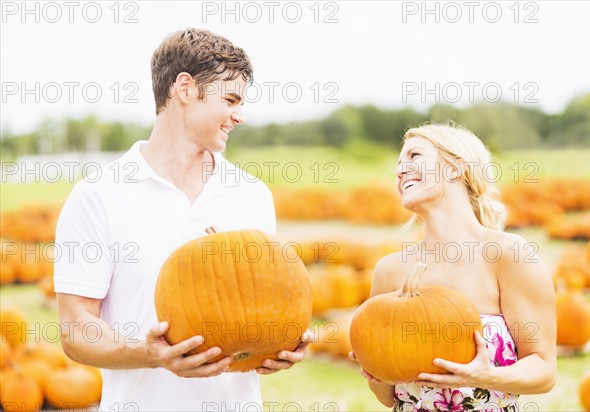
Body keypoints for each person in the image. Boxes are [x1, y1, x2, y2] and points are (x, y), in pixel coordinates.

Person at [54, 28, 311, 412]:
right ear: (186, 88)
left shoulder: (252, 194)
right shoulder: (99, 195)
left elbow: (259, 307)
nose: (239, 116)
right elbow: (75, 328)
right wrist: (149, 354)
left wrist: (274, 347)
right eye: (231, 99)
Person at [351, 124, 556, 411]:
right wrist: (375, 373)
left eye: (414, 155)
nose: (400, 169)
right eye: (399, 163)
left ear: (454, 169)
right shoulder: (390, 270)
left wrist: (489, 377)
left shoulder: (508, 254)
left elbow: (544, 370)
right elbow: (387, 397)